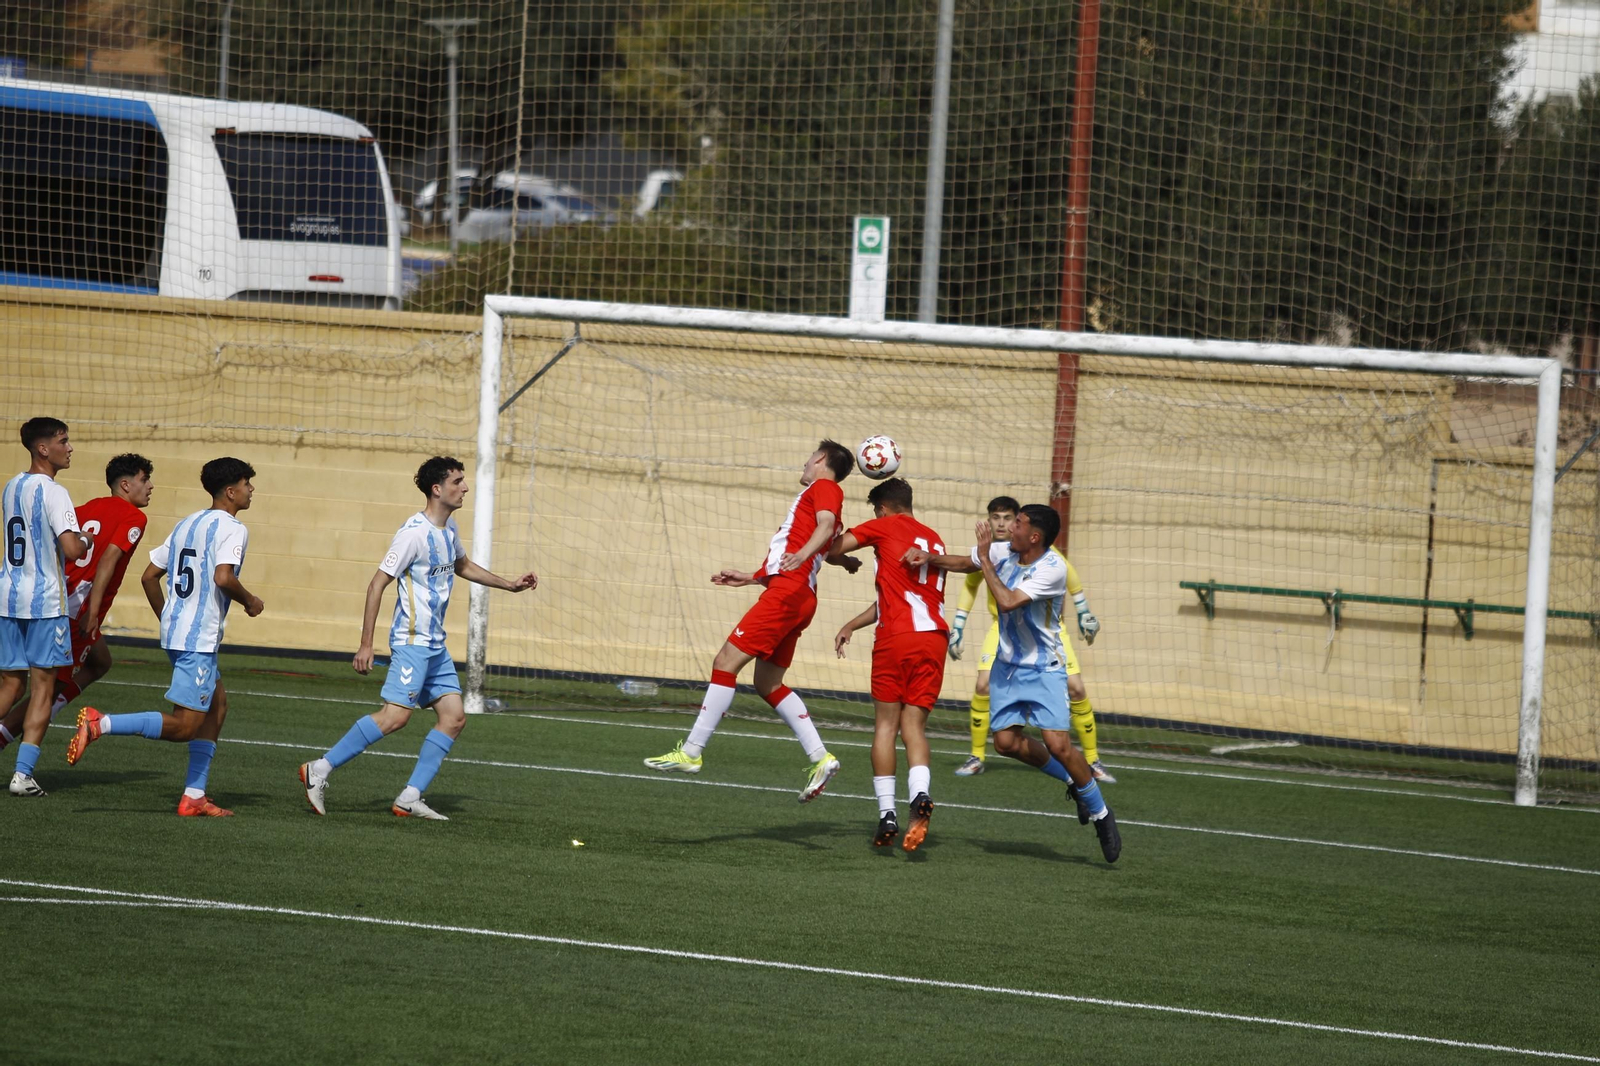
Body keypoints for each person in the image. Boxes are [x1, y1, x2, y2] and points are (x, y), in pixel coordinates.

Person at [298, 456, 537, 821]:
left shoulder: (449, 528)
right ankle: (320, 768)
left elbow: (462, 565)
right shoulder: (412, 534)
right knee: (395, 717)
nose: (465, 488)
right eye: (457, 481)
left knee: (454, 718)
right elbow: (376, 585)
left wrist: (509, 585)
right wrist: (366, 644)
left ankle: (410, 797)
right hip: (412, 643)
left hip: (435, 645)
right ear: (436, 489)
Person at [644, 439, 859, 802]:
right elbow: (823, 544)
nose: (805, 463)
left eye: (810, 457)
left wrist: (801, 555)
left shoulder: (825, 487)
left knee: (725, 663)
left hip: (788, 593)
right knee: (768, 683)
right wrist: (750, 577)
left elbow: (823, 529)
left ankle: (692, 752)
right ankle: (821, 758)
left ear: (821, 458)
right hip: (798, 595)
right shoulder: (820, 497)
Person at [906, 504, 1121, 863]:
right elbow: (966, 563)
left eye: (1018, 523)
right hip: (1007, 667)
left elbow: (1007, 602)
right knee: (1005, 744)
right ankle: (1073, 781)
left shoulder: (1052, 568)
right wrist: (929, 559)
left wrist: (985, 560)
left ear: (1034, 537)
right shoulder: (1004, 550)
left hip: (1044, 668)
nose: (1009, 527)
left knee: (1058, 745)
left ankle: (1100, 813)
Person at [65, 457, 262, 817]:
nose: (251, 490)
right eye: (247, 484)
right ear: (231, 491)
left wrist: (170, 618)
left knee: (217, 705)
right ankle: (101, 723)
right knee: (186, 726)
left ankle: (194, 796)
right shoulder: (234, 528)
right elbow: (223, 577)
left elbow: (149, 576)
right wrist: (250, 601)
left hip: (177, 633)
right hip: (197, 639)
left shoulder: (188, 522)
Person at [947, 495, 1111, 782]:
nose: (1003, 525)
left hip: (1046, 633)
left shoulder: (1049, 560)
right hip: (1003, 628)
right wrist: (958, 624)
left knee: (1076, 689)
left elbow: (1072, 581)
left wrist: (1084, 612)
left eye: (1010, 519)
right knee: (983, 686)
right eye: (995, 518)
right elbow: (970, 580)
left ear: (1029, 531)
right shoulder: (996, 552)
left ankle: (1092, 761)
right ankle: (976, 755)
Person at [0, 453, 153, 748]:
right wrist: (93, 612)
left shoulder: (85, 508)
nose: (150, 486)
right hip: (76, 608)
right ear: (125, 485)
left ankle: (54, 707)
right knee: (47, 688)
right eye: (144, 479)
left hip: (45, 596)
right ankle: (7, 737)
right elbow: (107, 560)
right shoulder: (134, 517)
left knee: (100, 661)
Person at [828, 477, 948, 850]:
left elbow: (831, 548)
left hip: (897, 637)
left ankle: (887, 814)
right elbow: (900, 595)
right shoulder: (934, 539)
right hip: (934, 638)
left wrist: (841, 550)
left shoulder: (884, 526)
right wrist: (852, 624)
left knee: (885, 725)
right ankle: (920, 795)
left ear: (882, 509)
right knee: (914, 726)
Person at [1, 417, 92, 796]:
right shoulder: (54, 492)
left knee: (9, 685)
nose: (69, 448)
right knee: (43, 687)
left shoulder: (11, 486)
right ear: (43, 448)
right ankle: (22, 776)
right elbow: (71, 549)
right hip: (44, 603)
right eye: (63, 441)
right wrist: (85, 539)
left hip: (8, 597)